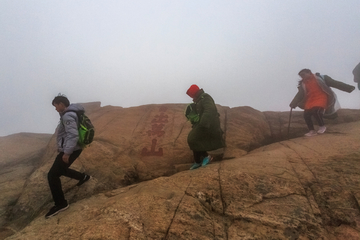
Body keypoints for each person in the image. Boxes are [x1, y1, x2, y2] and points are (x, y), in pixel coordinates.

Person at [45, 94, 91, 218]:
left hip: (71, 149)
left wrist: (66, 153)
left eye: (56, 106)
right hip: (73, 148)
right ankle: (83, 177)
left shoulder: (67, 116)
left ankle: (61, 204)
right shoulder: (71, 113)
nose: (55, 109)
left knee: (52, 175)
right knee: (61, 170)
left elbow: (73, 135)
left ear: (61, 104)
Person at [290, 69, 355, 137]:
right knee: (306, 115)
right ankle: (311, 131)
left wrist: (348, 88)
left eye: (303, 74)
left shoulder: (320, 78)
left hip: (321, 97)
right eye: (301, 76)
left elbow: (335, 83)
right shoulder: (303, 84)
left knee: (316, 111)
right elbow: (300, 94)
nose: (302, 77)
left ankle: (322, 126)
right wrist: (293, 103)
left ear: (309, 72)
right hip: (310, 99)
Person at [185, 84, 225, 170]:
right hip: (201, 123)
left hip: (208, 124)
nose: (191, 96)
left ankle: (206, 157)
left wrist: (203, 123)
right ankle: (198, 161)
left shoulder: (205, 97)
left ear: (194, 91)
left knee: (192, 138)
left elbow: (209, 110)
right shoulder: (198, 100)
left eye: (191, 94)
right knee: (193, 139)